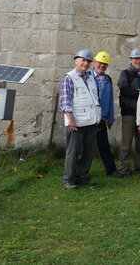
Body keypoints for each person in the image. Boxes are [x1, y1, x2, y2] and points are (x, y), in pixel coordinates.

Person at [60, 49, 101, 190]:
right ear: (76, 61)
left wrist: (98, 119)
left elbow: (94, 99)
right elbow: (65, 101)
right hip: (76, 122)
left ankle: (82, 177)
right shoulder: (69, 77)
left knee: (88, 152)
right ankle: (69, 180)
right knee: (73, 152)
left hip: (91, 121)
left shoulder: (90, 78)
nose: (85, 63)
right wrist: (70, 119)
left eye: (88, 61)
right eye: (83, 60)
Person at [118, 48, 140, 176]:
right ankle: (124, 166)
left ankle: (139, 165)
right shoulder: (125, 73)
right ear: (131, 60)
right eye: (135, 58)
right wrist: (139, 93)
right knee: (127, 141)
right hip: (129, 111)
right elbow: (124, 89)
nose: (138, 60)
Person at [89, 51, 121, 178]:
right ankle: (79, 173)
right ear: (95, 62)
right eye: (100, 63)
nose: (102, 66)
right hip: (89, 118)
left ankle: (111, 171)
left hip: (101, 119)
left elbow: (110, 99)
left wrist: (110, 118)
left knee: (104, 146)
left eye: (105, 64)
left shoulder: (108, 79)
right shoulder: (87, 77)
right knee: (85, 147)